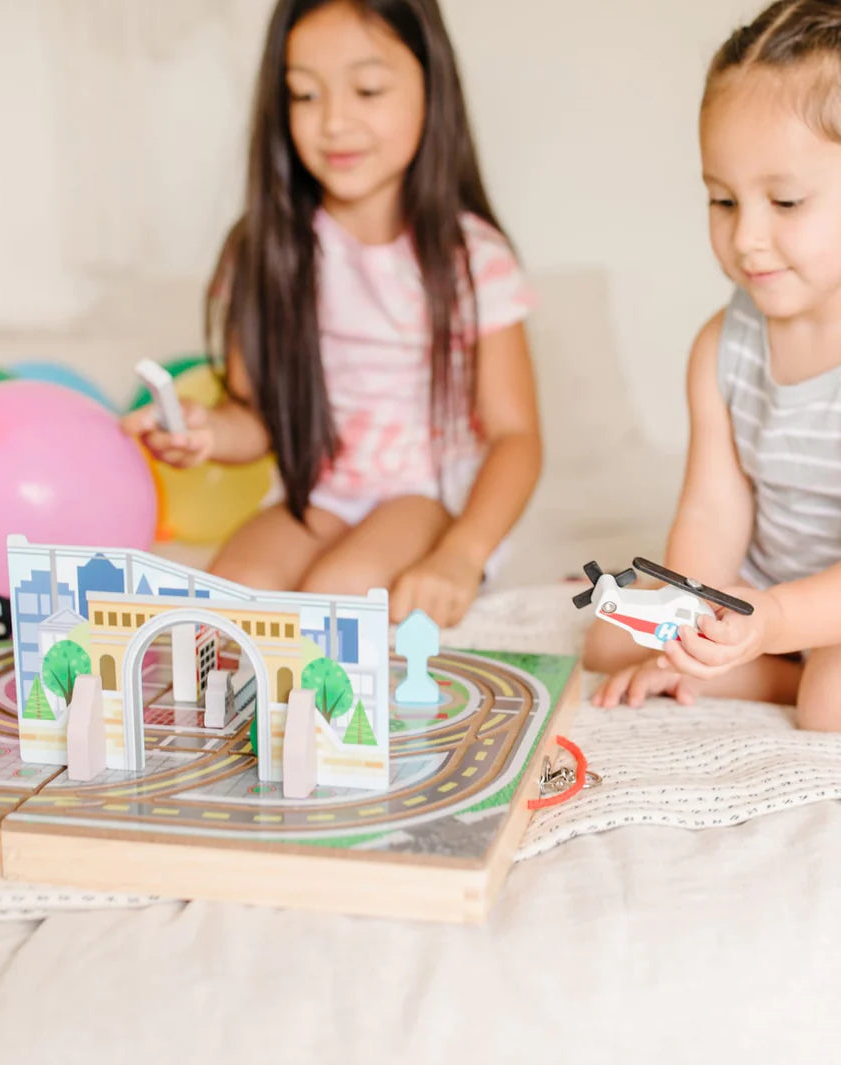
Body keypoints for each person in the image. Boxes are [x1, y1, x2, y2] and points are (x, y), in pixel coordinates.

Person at [123, 0, 541, 628]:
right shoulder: (266, 251)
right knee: (222, 600)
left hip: (428, 501)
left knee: (336, 595)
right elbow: (259, 420)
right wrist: (205, 432)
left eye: (367, 89)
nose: (334, 122)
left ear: (433, 88)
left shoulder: (470, 259)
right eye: (305, 96)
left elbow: (517, 437)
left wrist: (462, 553)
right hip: (321, 497)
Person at [588, 0, 841, 733]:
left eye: (786, 201)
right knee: (612, 633)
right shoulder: (724, 345)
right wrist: (686, 630)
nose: (747, 237)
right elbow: (712, 511)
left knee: (836, 704)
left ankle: (782, 674)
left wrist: (773, 620)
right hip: (772, 592)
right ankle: (763, 662)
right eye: (722, 199)